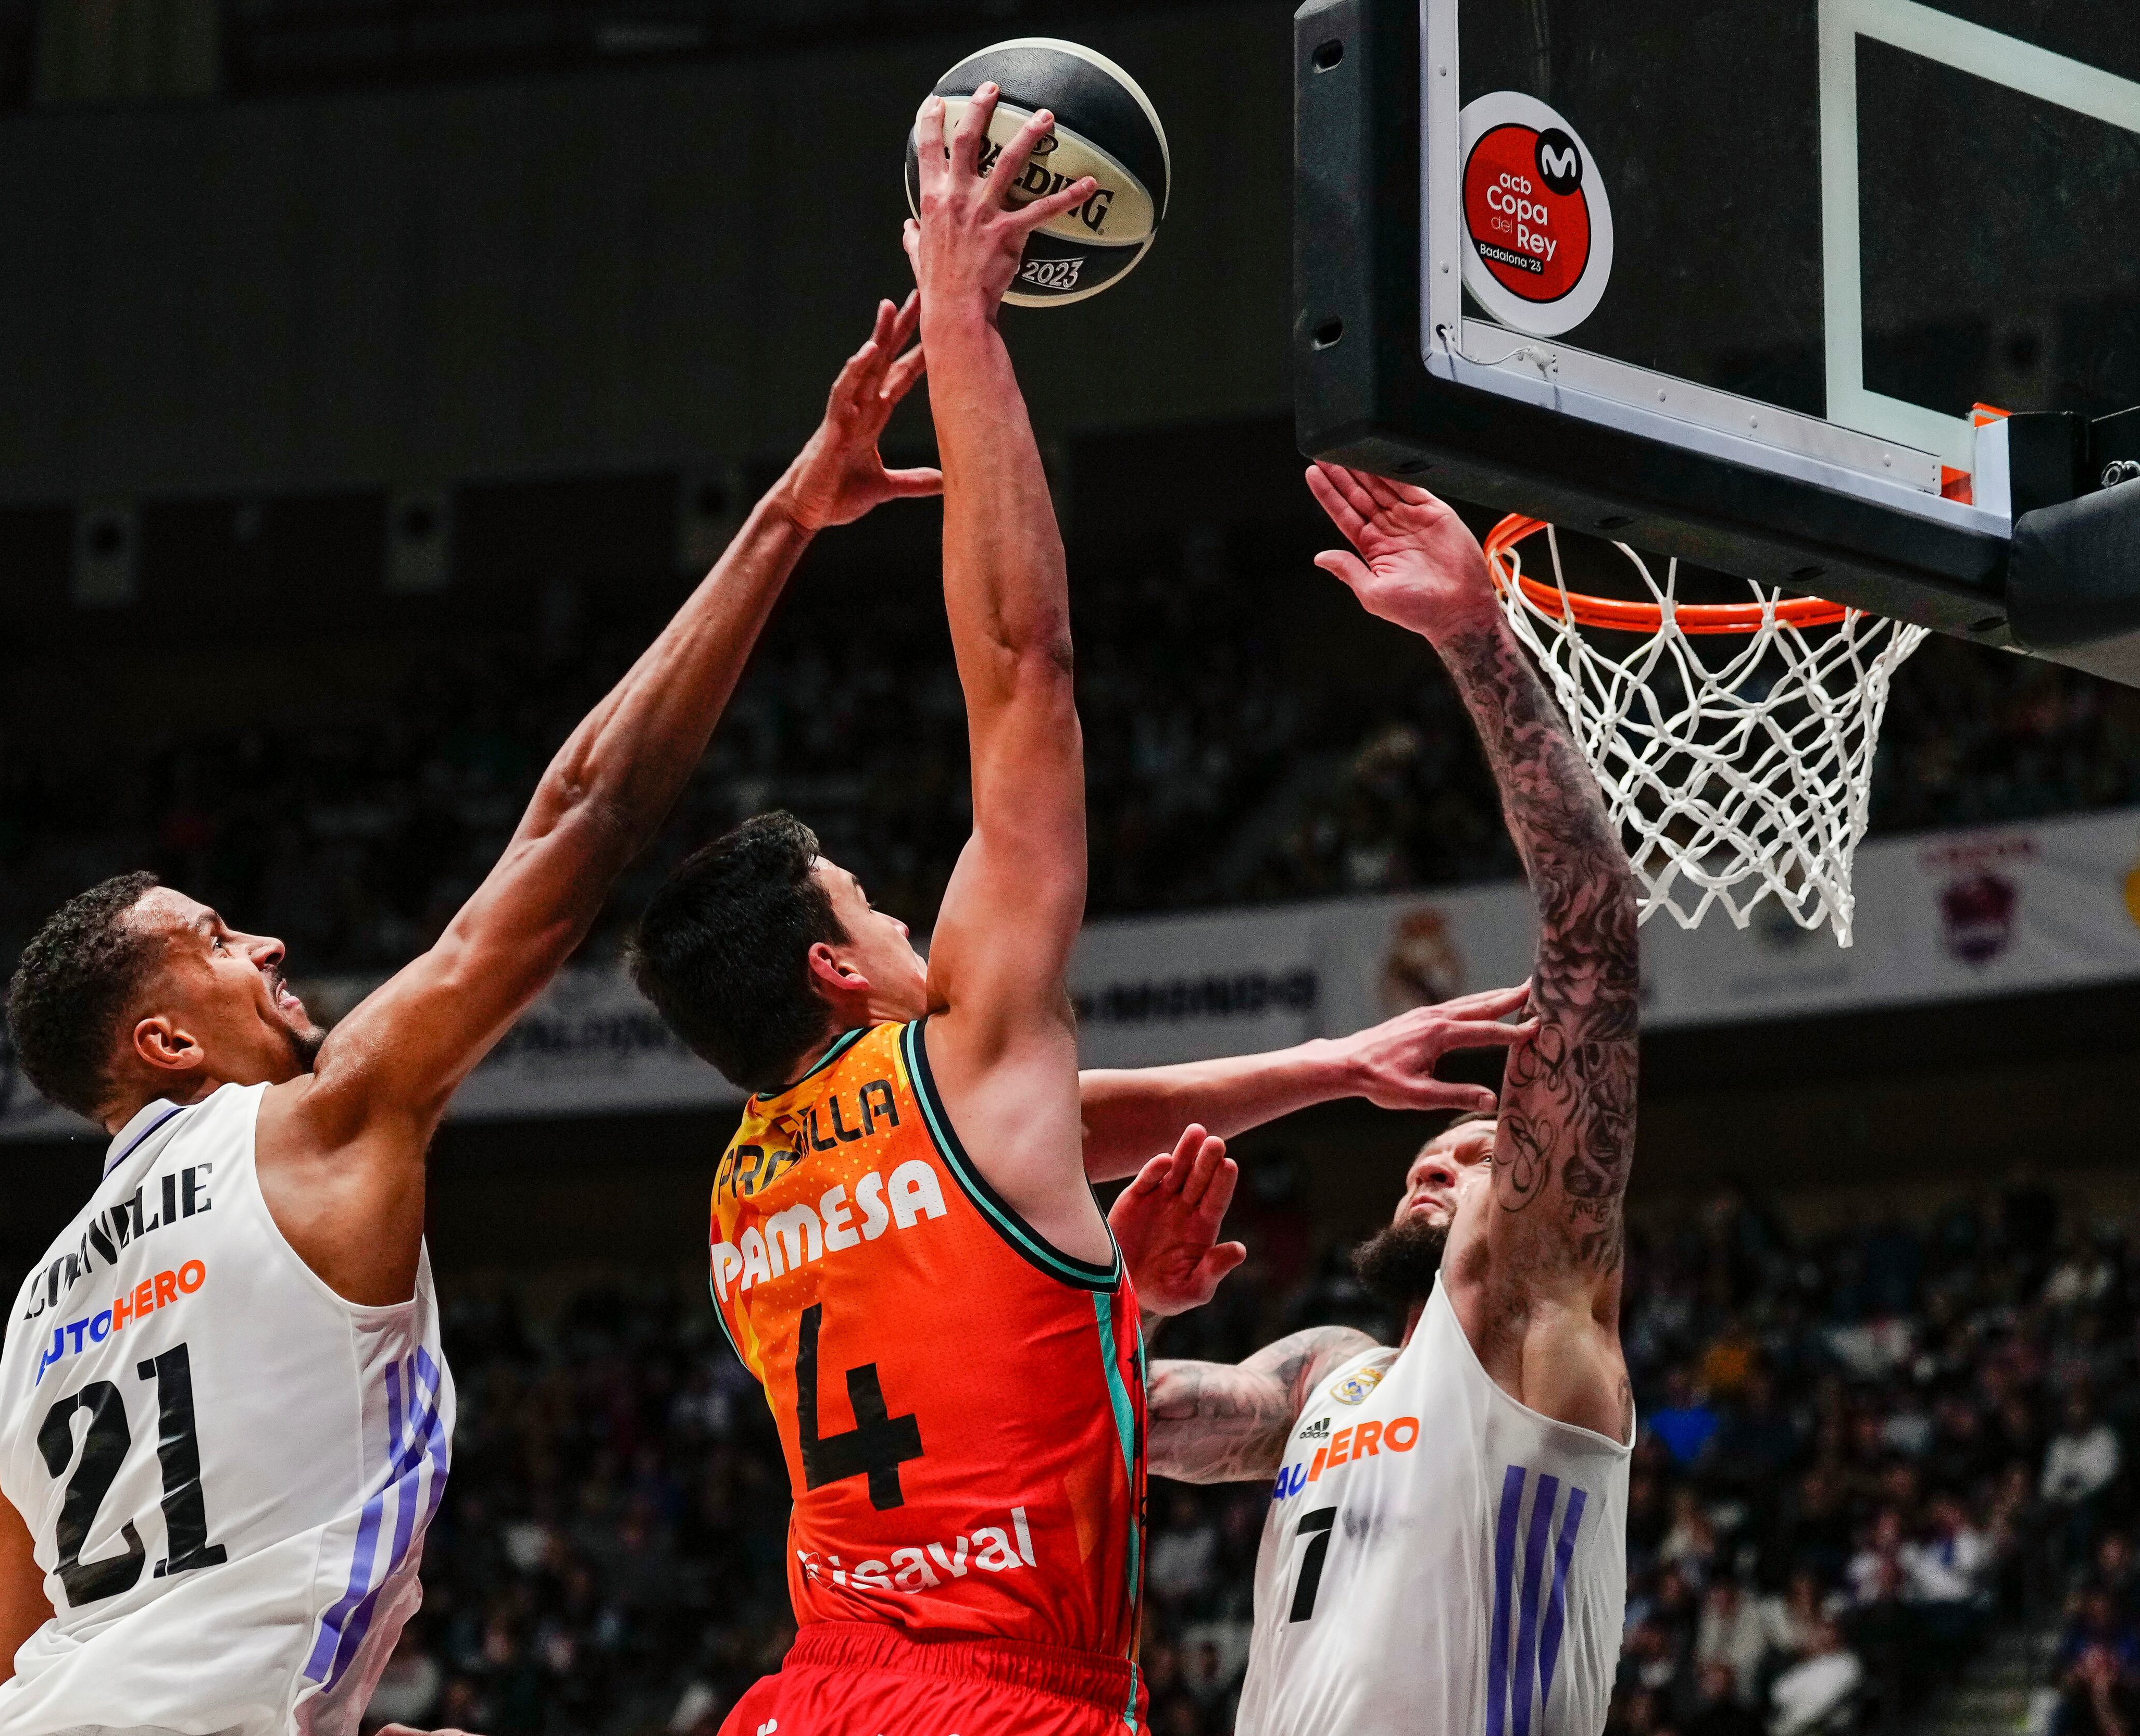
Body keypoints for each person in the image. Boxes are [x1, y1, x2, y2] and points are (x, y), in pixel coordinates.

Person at [619, 92, 1530, 1736]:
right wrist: (966, 315)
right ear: (837, 965)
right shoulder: (960, 1057)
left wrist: (1327, 1069)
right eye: (874, 905)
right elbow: (1022, 662)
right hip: (1001, 1701)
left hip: (806, 1696)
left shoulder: (749, 1197)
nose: (909, 923)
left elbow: (1058, 1142)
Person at [0, 294, 946, 1736]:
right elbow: (589, 817)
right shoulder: (311, 1124)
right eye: (216, 938)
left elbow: (15, 1665)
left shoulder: (33, 1312)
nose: (268, 939)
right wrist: (792, 514)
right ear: (163, 1042)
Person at [1113, 463, 1642, 1736]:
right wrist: (1118, 1303)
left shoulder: (1531, 1325)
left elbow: (1594, 929)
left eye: (1475, 1151)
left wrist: (1476, 641)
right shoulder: (1327, 1376)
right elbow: (1132, 1422)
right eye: (1429, 1148)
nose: (1431, 1159)